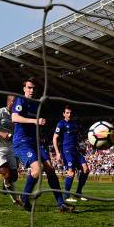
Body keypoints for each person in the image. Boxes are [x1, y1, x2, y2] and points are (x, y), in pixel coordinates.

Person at [12, 77, 73, 213]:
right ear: (24, 89)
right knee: (37, 169)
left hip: (34, 142)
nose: (31, 90)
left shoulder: (36, 104)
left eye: (33, 88)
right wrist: (34, 120)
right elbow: (14, 118)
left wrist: (39, 123)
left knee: (50, 169)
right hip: (21, 142)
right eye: (29, 87)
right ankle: (24, 197)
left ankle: (60, 203)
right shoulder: (20, 100)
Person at [53, 105, 89, 203]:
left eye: (71, 113)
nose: (69, 114)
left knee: (86, 170)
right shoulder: (61, 124)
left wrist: (81, 148)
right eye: (67, 113)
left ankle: (78, 192)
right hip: (66, 151)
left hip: (75, 150)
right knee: (71, 172)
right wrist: (57, 153)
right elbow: (55, 138)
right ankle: (66, 196)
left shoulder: (75, 124)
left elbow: (75, 139)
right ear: (64, 114)